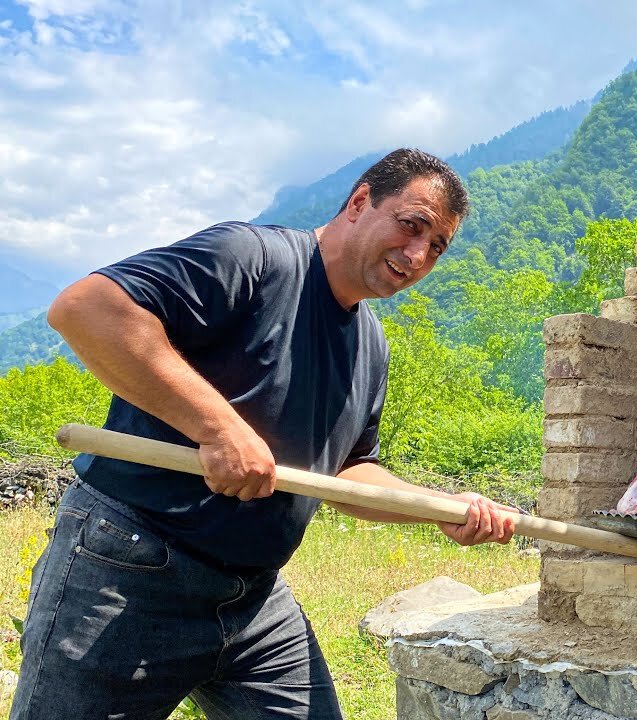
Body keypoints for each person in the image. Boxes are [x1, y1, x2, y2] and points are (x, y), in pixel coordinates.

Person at [11, 148, 517, 719]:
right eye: (412, 225)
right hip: (129, 570)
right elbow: (86, 309)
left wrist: (441, 506)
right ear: (358, 202)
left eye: (438, 246)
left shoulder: (370, 348)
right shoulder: (253, 258)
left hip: (252, 599)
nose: (419, 254)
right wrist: (218, 427)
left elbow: (346, 472)